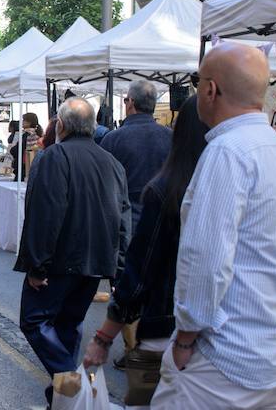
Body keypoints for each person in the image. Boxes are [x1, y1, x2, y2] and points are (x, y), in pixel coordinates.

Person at [150, 43, 276, 409]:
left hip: (225, 358)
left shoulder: (228, 152)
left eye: (198, 82)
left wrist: (186, 338)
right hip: (274, 351)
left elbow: (205, 257)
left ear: (210, 90)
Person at [82, 96, 209, 406]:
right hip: (222, 333)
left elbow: (139, 275)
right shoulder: (215, 184)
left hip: (168, 319)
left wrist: (104, 336)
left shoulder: (165, 185)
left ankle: (129, 347)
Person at [14, 97, 130, 407]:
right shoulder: (112, 163)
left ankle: (73, 385)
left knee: (35, 322)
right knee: (67, 325)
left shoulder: (53, 157)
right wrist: (118, 269)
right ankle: (62, 397)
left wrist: (37, 266)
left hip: (62, 262)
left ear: (61, 126)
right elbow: (123, 219)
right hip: (95, 263)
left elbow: (44, 213)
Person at [100, 80, 172, 235]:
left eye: (126, 99)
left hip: (126, 225)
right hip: (164, 225)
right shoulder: (171, 137)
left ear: (131, 102)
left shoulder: (112, 139)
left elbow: (103, 187)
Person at [11, 112, 43, 182]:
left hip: (23, 168)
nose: (22, 122)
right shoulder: (38, 134)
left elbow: (17, 150)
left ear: (29, 122)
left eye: (24, 120)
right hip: (33, 167)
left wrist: (12, 148)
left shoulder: (26, 135)